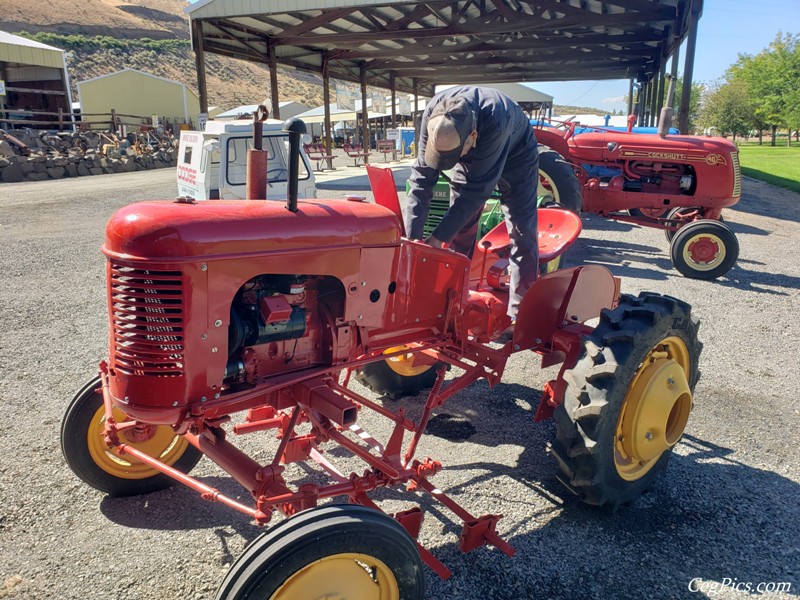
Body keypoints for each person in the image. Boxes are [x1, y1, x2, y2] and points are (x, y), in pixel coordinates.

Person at [404, 86, 539, 343]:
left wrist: (436, 239)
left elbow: (476, 193)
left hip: (517, 154)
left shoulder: (496, 119)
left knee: (521, 230)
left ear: (472, 135)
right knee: (460, 229)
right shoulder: (433, 112)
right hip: (471, 149)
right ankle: (452, 301)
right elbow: (420, 182)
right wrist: (413, 241)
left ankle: (520, 314)